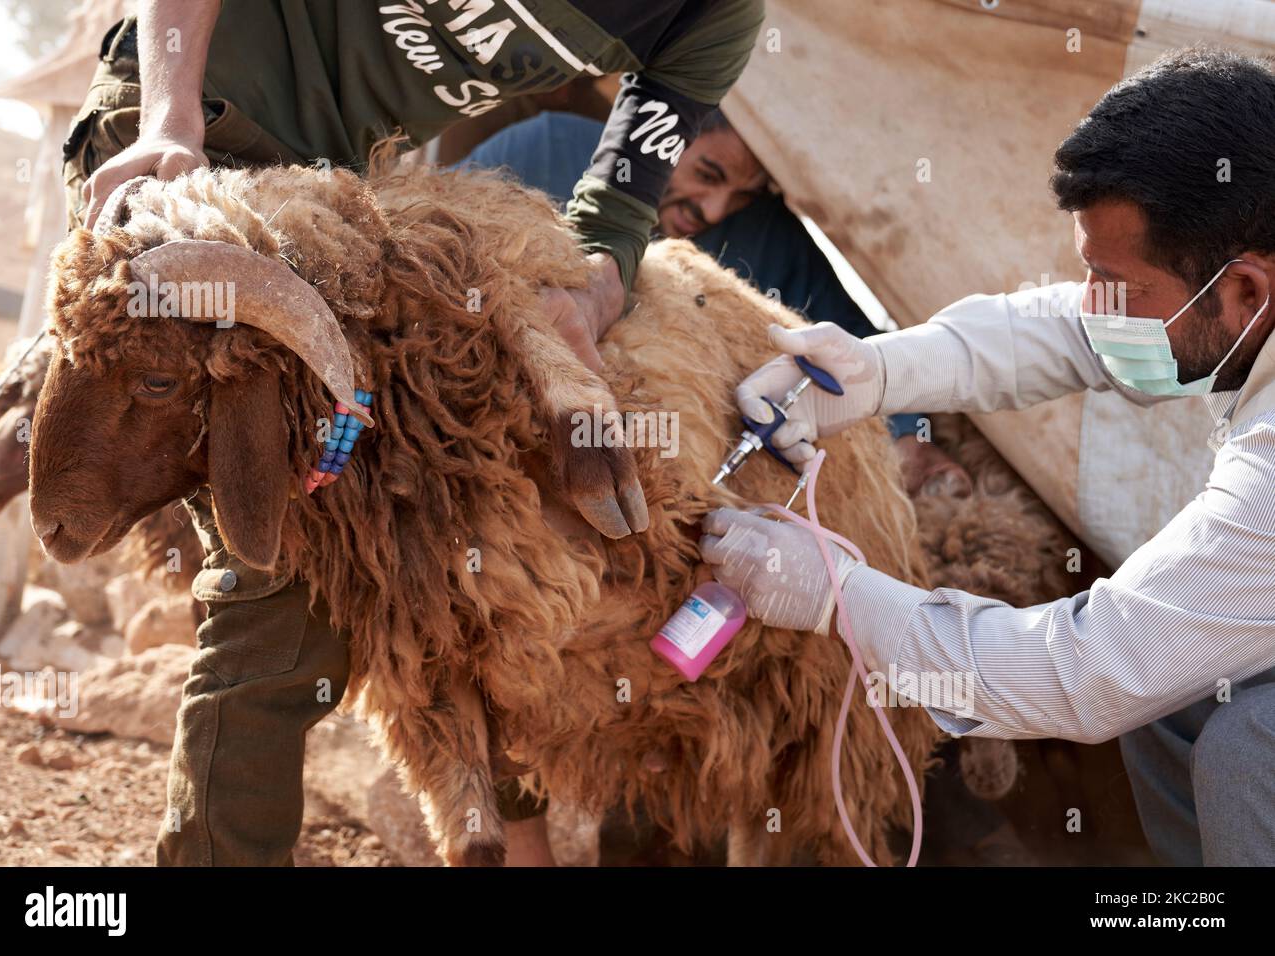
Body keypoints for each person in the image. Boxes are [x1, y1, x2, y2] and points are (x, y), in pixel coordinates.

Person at [63, 0, 764, 866]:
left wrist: (589, 291)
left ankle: (506, 835)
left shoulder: (714, 16)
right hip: (196, 130)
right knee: (284, 596)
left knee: (449, 533)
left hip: (333, 210)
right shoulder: (178, 125)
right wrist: (167, 117)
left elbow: (616, 215)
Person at [700, 47, 1275, 866]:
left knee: (1250, 749)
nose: (1091, 308)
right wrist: (881, 372)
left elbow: (1087, 672)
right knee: (1183, 695)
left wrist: (837, 596)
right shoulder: (1238, 285)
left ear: (1245, 292)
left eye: (1114, 283)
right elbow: (1062, 329)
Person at [460, 107, 970, 496]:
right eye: (707, 174)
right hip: (491, 404)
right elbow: (433, 247)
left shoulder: (764, 236)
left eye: (742, 196)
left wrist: (908, 438)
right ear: (661, 138)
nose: (714, 209)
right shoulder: (546, 149)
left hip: (656, 463)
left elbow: (856, 337)